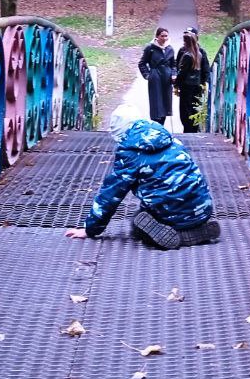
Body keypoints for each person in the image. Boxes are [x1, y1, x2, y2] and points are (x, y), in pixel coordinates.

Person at [64, 102, 220, 249]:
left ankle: (179, 236)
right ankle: (197, 230)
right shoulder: (173, 141)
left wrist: (90, 229)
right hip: (202, 209)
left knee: (139, 221)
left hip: (169, 213)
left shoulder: (130, 153)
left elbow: (111, 194)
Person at [138, 26, 176, 124]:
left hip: (167, 79)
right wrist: (147, 75)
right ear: (157, 36)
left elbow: (173, 64)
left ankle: (162, 125)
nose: (164, 38)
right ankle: (155, 125)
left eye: (166, 36)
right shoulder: (150, 48)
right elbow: (142, 63)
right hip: (155, 77)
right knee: (156, 102)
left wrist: (173, 74)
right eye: (162, 36)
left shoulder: (170, 49)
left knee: (166, 102)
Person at [175, 29, 210, 133]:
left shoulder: (187, 54)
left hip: (187, 87)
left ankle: (188, 132)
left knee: (185, 111)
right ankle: (193, 131)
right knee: (194, 109)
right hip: (197, 85)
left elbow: (181, 71)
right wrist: (202, 82)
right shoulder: (199, 53)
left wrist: (176, 84)